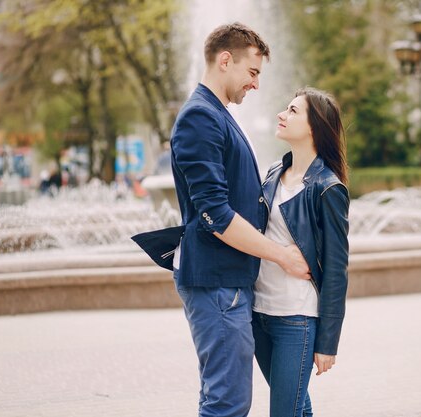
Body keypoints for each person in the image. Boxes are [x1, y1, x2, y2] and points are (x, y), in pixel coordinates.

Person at [133, 23, 310, 417]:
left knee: (222, 399)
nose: (256, 85)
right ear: (225, 60)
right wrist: (282, 256)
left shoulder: (214, 114)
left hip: (226, 281)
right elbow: (216, 215)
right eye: (252, 72)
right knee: (228, 404)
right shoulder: (200, 117)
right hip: (217, 281)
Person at [253, 87, 350, 417]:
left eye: (293, 111)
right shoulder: (273, 174)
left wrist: (328, 342)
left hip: (296, 318)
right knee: (296, 406)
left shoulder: (328, 187)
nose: (282, 114)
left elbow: (337, 269)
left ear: (314, 126)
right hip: (259, 313)